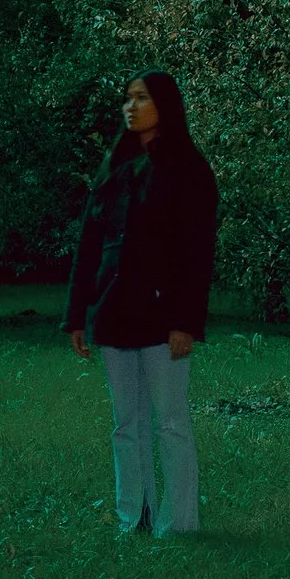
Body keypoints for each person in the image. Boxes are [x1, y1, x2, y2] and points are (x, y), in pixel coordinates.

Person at [63, 72, 218, 536]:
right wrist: (77, 316)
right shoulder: (114, 168)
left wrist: (185, 321)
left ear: (164, 105)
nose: (130, 107)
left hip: (163, 317)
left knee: (170, 422)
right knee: (126, 424)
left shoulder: (189, 169)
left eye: (141, 98)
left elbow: (197, 254)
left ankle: (180, 523)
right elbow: (89, 246)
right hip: (113, 313)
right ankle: (134, 517)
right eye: (127, 98)